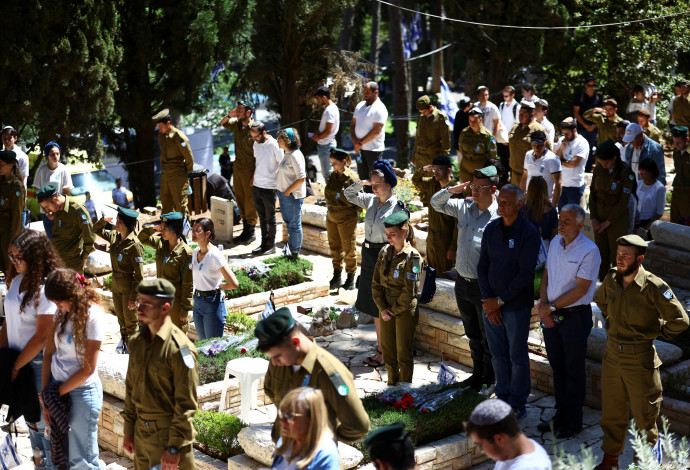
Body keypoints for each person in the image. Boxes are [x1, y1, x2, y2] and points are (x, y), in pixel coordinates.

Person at [593, 235, 689, 470]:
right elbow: (601, 302)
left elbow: (681, 320)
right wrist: (613, 324)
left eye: (626, 255)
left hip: (640, 360)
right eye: (618, 254)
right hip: (613, 357)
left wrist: (654, 331)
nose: (620, 259)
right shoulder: (612, 278)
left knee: (645, 419)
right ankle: (610, 460)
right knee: (612, 413)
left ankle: (644, 465)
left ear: (640, 258)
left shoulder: (654, 286)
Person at [256, 307, 370, 443]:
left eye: (277, 356)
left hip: (315, 460)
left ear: (295, 342)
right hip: (284, 451)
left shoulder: (329, 372)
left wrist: (324, 441)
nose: (274, 361)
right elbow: (270, 389)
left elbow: (358, 425)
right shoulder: (280, 360)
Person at [431, 166, 499, 391]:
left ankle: (490, 377)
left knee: (487, 336)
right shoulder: (465, 207)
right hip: (462, 282)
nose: (476, 191)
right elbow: (436, 203)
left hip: (485, 287)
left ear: (493, 189)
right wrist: (453, 189)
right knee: (472, 334)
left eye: (481, 187)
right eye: (474, 186)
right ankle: (477, 373)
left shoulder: (499, 216)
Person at [536, 205, 600, 438]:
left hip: (574, 316)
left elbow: (581, 289)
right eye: (560, 219)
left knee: (573, 371)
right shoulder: (554, 242)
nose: (561, 224)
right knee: (558, 368)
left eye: (567, 221)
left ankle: (573, 421)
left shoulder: (589, 251)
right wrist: (544, 307)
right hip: (551, 313)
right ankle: (560, 415)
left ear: (581, 226)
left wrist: (550, 308)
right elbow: (546, 275)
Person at [0, 230, 63, 469]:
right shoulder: (16, 280)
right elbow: (8, 321)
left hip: (35, 365)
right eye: (11, 256)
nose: (14, 261)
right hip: (17, 364)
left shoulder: (46, 289)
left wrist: (15, 366)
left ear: (35, 256)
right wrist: (3, 358)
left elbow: (42, 336)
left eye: (19, 256)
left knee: (46, 431)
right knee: (32, 427)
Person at [477, 185, 540, 418]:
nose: (501, 205)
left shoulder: (529, 233)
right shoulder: (492, 228)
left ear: (519, 205)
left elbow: (525, 274)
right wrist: (487, 301)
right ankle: (501, 397)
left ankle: (518, 403)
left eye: (506, 202)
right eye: (499, 201)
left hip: (515, 307)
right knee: (498, 354)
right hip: (491, 305)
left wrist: (499, 301)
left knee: (516, 355)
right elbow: (482, 267)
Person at [122, 279, 199, 470]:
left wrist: (173, 447)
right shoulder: (137, 342)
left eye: (146, 304)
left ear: (165, 307)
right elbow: (131, 388)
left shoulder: (179, 349)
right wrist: (129, 430)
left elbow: (186, 404)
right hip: (142, 435)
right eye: (139, 302)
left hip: (168, 438)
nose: (139, 308)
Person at [42, 268, 105, 470]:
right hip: (58, 390)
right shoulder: (61, 313)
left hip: (81, 394)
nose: (58, 307)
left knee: (82, 461)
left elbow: (88, 368)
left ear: (73, 294)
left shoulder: (93, 316)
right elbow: (49, 353)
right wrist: (46, 395)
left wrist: (54, 396)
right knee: (64, 456)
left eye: (60, 302)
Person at [344, 159, 403, 368]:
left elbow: (400, 237)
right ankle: (381, 349)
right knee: (374, 304)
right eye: (373, 183)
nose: (374, 187)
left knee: (385, 304)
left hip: (386, 255)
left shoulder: (397, 206)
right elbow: (348, 194)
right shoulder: (370, 200)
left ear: (389, 184)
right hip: (369, 255)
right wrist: (362, 183)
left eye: (378, 183)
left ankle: (387, 351)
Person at [372, 211, 421, 385]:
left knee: (403, 351)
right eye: (387, 235)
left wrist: (391, 311)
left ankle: (405, 386)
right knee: (388, 350)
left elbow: (410, 291)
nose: (389, 238)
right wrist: (382, 308)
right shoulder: (385, 252)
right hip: (386, 307)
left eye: (392, 234)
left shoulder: (413, 257)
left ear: (404, 231)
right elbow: (376, 284)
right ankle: (392, 384)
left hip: (404, 309)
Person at [93, 207, 144, 349]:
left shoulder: (134, 245)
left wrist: (134, 297)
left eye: (120, 221)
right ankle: (126, 351)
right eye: (117, 220)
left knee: (131, 324)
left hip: (128, 287)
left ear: (127, 224)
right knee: (121, 323)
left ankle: (135, 354)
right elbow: (95, 230)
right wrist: (103, 221)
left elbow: (139, 275)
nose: (116, 223)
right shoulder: (114, 236)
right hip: (116, 286)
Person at [138, 212, 193, 331]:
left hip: (175, 301)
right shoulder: (160, 243)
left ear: (174, 230)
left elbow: (188, 284)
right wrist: (153, 229)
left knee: (177, 336)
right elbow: (141, 238)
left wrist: (184, 310)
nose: (161, 231)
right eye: (161, 227)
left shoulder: (186, 253)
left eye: (165, 228)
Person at [589, 140, 635, 281]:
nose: (604, 165)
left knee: (617, 255)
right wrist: (594, 218)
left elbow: (623, 201)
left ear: (614, 157)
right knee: (601, 254)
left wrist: (608, 222)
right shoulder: (598, 169)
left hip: (617, 219)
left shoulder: (626, 172)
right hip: (599, 217)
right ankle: (604, 284)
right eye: (601, 162)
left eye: (606, 162)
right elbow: (592, 193)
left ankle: (619, 285)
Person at [465, 399, 552, 470]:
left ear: (499, 439)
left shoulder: (526, 467)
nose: (482, 451)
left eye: (481, 445)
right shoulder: (514, 449)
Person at [191, 218, 239, 340]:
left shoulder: (215, 255)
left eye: (198, 230)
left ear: (207, 234)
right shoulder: (195, 252)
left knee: (213, 348)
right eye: (193, 230)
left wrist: (219, 286)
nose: (193, 233)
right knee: (203, 345)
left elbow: (234, 283)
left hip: (212, 303)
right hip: (197, 302)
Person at [272, 387, 340, 470]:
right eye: (282, 412)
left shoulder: (326, 456)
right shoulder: (283, 443)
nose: (282, 420)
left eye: (289, 416)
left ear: (311, 419)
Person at [36, 184, 95, 275]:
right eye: (43, 208)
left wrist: (84, 257)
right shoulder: (57, 208)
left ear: (56, 198)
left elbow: (89, 235)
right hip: (57, 260)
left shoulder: (76, 209)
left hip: (72, 262)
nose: (46, 210)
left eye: (46, 206)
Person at [220, 101, 257, 245]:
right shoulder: (236, 124)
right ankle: (245, 230)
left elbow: (261, 152)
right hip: (238, 166)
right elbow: (223, 123)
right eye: (238, 109)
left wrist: (256, 173)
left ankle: (251, 231)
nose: (238, 111)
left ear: (248, 112)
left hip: (251, 167)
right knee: (240, 196)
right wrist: (230, 115)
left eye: (241, 110)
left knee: (249, 199)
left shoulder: (255, 128)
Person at [325, 148, 359, 291]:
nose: (332, 165)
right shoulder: (332, 176)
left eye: (335, 163)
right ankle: (337, 275)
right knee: (334, 247)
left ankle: (350, 277)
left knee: (348, 248)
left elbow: (358, 200)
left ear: (344, 161)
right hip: (331, 215)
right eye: (331, 162)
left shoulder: (352, 178)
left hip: (346, 217)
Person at [153, 109, 194, 217]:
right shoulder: (161, 136)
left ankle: (184, 232)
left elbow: (189, 158)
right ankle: (168, 230)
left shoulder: (179, 137)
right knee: (166, 205)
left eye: (160, 126)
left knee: (180, 206)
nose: (159, 129)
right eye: (158, 126)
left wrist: (183, 173)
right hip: (165, 173)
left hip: (178, 174)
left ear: (168, 123)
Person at [421, 155, 458, 273]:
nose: (435, 173)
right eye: (433, 170)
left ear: (448, 170)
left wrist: (453, 247)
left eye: (438, 170)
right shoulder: (433, 184)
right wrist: (423, 169)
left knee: (445, 274)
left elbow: (459, 224)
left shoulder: (456, 190)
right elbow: (416, 180)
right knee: (431, 272)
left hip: (445, 241)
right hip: (432, 237)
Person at [250, 122, 283, 255]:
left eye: (256, 136)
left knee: (270, 217)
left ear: (264, 133)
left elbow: (281, 164)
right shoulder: (255, 144)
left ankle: (271, 245)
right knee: (261, 217)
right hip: (257, 185)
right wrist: (253, 177)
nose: (254, 139)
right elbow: (258, 162)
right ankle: (263, 244)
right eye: (252, 137)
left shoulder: (274, 144)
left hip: (270, 186)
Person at [411, 95, 450, 206]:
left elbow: (446, 141)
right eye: (420, 111)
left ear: (430, 107)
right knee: (420, 182)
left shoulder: (441, 118)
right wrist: (414, 156)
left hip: (432, 156)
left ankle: (436, 207)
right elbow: (417, 138)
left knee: (433, 183)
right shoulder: (421, 117)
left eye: (423, 111)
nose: (422, 113)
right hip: (420, 156)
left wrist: (443, 161)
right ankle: (426, 206)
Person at [276, 128, 307, 258]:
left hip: (292, 196)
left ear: (287, 141)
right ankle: (291, 250)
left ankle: (295, 253)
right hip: (285, 195)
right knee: (290, 224)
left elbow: (301, 177)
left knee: (294, 225)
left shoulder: (295, 155)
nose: (277, 141)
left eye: (280, 139)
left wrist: (288, 192)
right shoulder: (287, 153)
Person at [350, 82, 388, 186]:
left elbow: (377, 131)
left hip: (373, 150)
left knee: (375, 180)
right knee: (363, 179)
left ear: (376, 92)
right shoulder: (360, 106)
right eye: (364, 92)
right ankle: (365, 200)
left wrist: (360, 142)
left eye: (367, 92)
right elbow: (353, 125)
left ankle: (376, 201)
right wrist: (355, 143)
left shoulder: (380, 108)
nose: (365, 94)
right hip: (359, 150)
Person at [33, 142, 73, 239]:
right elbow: (38, 193)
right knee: (52, 242)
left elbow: (67, 193)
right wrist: (47, 212)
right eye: (52, 154)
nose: (55, 156)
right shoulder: (41, 170)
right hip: (46, 214)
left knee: (63, 240)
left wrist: (61, 212)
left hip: (60, 213)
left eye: (57, 153)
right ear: (47, 156)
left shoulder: (64, 170)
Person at [507, 101, 546, 184]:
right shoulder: (516, 127)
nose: (520, 116)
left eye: (523, 114)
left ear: (532, 115)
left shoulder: (538, 130)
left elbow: (547, 153)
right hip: (514, 173)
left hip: (529, 176)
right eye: (519, 113)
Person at [520, 131, 561, 208]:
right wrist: (521, 198)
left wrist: (553, 205)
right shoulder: (528, 155)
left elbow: (558, 184)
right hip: (529, 201)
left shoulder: (553, 159)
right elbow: (525, 176)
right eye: (534, 145)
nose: (536, 148)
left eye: (539, 145)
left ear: (546, 143)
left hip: (545, 203)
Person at [555, 118, 589, 210]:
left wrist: (561, 162)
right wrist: (562, 146)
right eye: (563, 133)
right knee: (562, 215)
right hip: (562, 185)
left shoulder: (582, 143)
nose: (565, 136)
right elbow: (555, 160)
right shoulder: (562, 140)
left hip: (575, 187)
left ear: (574, 130)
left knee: (573, 217)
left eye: (567, 133)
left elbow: (574, 163)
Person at [0, 150, 26, 274]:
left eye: (1, 164)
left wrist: (13, 241)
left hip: (8, 235)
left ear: (10, 165)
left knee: (11, 270)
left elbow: (17, 216)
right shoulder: (2, 182)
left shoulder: (16, 187)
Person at [457, 107, 497, 184]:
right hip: (466, 168)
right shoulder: (464, 133)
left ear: (480, 120)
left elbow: (493, 156)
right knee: (467, 191)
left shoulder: (488, 136)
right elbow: (461, 149)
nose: (472, 123)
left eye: (475, 120)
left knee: (479, 192)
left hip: (481, 170)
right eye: (470, 120)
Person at [573, 76, 603, 171]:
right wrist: (586, 126)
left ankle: (588, 169)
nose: (592, 87)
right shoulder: (579, 96)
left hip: (594, 128)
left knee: (590, 150)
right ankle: (579, 168)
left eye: (593, 85)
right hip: (582, 128)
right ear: (586, 85)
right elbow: (576, 113)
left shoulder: (598, 97)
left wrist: (594, 126)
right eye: (590, 85)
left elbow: (602, 114)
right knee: (580, 148)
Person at [520, 176, 558, 245]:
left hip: (527, 245)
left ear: (530, 190)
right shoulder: (552, 211)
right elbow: (554, 234)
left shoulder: (523, 209)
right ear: (545, 190)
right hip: (546, 247)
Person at [312, 86, 340, 176]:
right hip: (327, 144)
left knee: (328, 174)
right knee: (329, 173)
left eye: (319, 99)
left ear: (324, 97)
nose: (318, 101)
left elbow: (328, 131)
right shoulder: (331, 108)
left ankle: (332, 190)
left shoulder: (330, 110)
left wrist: (318, 137)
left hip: (326, 146)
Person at [634, 159, 665, 235]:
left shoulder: (659, 188)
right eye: (640, 171)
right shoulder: (637, 184)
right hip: (635, 222)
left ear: (652, 172)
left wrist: (645, 229)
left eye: (644, 172)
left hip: (649, 224)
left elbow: (659, 213)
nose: (641, 174)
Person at [670, 126, 690, 224]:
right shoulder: (676, 152)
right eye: (674, 142)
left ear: (687, 139)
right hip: (677, 191)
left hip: (688, 193)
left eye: (679, 142)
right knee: (674, 222)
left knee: (686, 225)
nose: (676, 145)